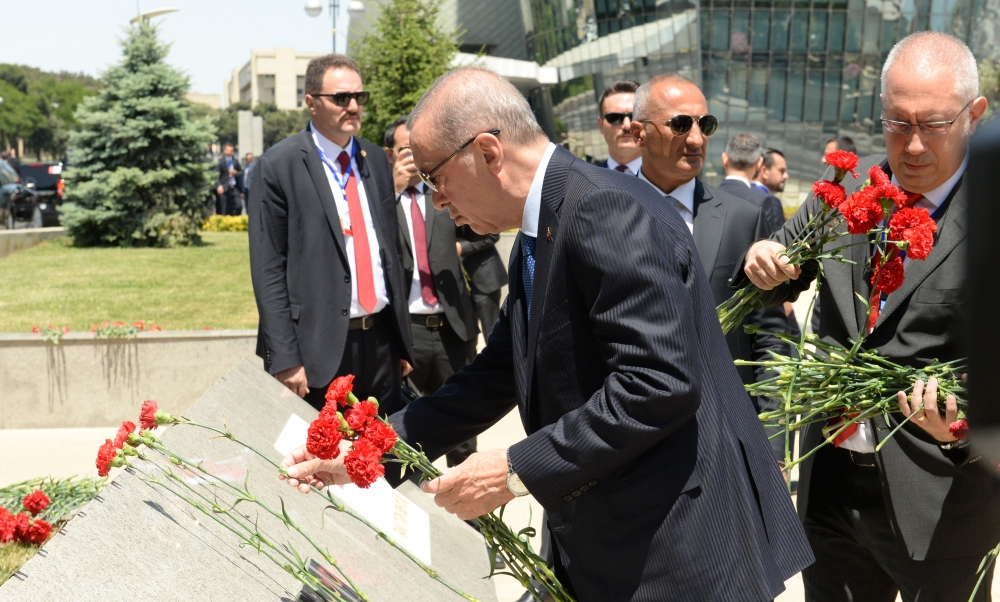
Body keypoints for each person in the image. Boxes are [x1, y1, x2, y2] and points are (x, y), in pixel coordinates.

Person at [282, 66, 813, 601]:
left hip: (676, 554)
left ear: (487, 152)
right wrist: (370, 452)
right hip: (619, 539)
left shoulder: (603, 209)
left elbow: (659, 383)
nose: (436, 200)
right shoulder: (546, 224)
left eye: (435, 177)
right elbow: (496, 373)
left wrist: (513, 471)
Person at [738, 31, 1000, 601]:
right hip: (830, 497)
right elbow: (777, 270)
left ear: (974, 114)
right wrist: (762, 259)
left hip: (942, 506)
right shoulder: (847, 193)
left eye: (933, 124)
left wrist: (963, 428)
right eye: (897, 123)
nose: (913, 146)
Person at [631, 77, 790, 463]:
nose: (696, 139)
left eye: (706, 124)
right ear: (638, 134)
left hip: (725, 444)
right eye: (680, 125)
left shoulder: (742, 219)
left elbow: (768, 338)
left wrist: (771, 446)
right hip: (631, 447)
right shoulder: (599, 213)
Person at [248, 54, 414, 416]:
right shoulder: (278, 166)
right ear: (311, 102)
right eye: (341, 98)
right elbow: (268, 269)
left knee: (384, 449)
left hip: (382, 344)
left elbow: (390, 251)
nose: (353, 106)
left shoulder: (375, 160)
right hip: (316, 353)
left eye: (359, 97)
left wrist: (402, 341)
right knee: (319, 452)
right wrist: (285, 358)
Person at [384, 114, 480, 465]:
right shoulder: (381, 201)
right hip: (408, 334)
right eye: (403, 150)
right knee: (402, 435)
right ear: (389, 154)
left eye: (417, 149)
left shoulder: (443, 192)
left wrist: (460, 248)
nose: (411, 157)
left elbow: (485, 232)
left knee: (462, 433)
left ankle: (468, 502)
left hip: (452, 328)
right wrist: (393, 191)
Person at [717, 133, 784, 234]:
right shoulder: (763, 201)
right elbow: (771, 241)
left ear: (724, 159)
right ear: (759, 163)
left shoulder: (706, 197)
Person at [455, 224, 506, 337]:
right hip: (458, 286)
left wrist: (462, 247)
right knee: (467, 336)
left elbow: (493, 236)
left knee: (492, 333)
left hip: (485, 280)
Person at [593, 80, 641, 175]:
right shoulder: (585, 179)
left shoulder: (669, 177)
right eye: (615, 118)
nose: (627, 125)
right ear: (601, 125)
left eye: (635, 116)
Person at [215, 143, 242, 215]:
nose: (229, 152)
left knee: (238, 205)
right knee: (224, 208)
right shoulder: (220, 161)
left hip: (234, 187)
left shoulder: (235, 161)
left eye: (231, 150)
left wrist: (236, 172)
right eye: (228, 150)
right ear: (224, 150)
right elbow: (216, 174)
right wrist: (219, 185)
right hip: (224, 186)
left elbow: (241, 172)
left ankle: (235, 219)